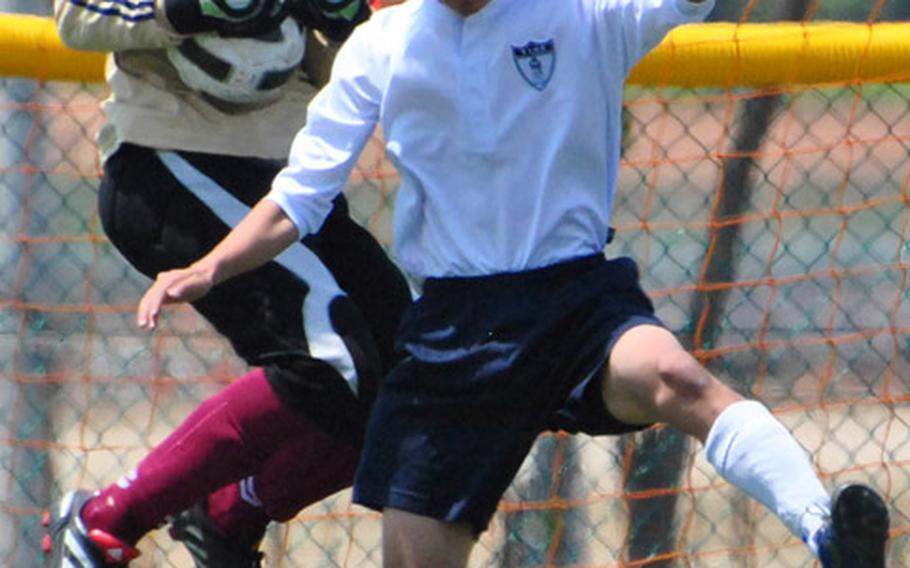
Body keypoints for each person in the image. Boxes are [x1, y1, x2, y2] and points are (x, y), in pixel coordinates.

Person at [133, 0, 894, 567]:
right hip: (453, 339)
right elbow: (299, 196)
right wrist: (209, 267)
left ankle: (824, 528)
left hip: (576, 304)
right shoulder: (383, 47)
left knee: (670, 374)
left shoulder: (588, 15)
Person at [43, 0, 414, 567]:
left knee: (420, 378)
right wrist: (193, 8)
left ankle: (228, 516)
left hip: (289, 184)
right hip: (170, 160)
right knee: (334, 358)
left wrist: (342, 21)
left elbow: (346, 69)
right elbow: (77, 16)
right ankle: (105, 521)